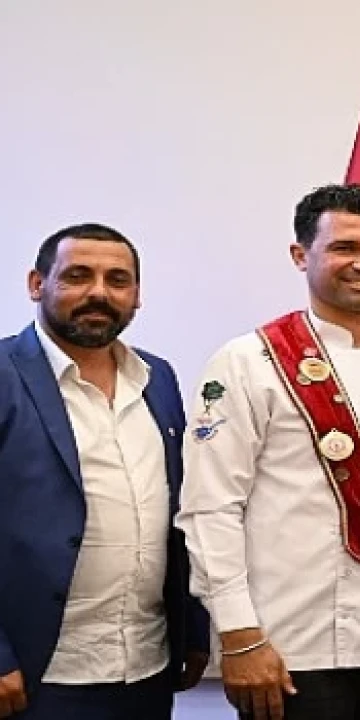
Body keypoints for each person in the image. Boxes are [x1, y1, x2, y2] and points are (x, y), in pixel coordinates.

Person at [175, 184, 360, 720]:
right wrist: (238, 634)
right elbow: (210, 508)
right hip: (285, 646)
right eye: (344, 247)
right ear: (300, 255)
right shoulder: (248, 361)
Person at [0, 223, 209, 719]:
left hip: (145, 665)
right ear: (37, 284)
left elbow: (180, 511)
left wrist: (194, 628)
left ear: (136, 295)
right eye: (77, 276)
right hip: (36, 674)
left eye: (117, 280)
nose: (99, 292)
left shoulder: (158, 378)